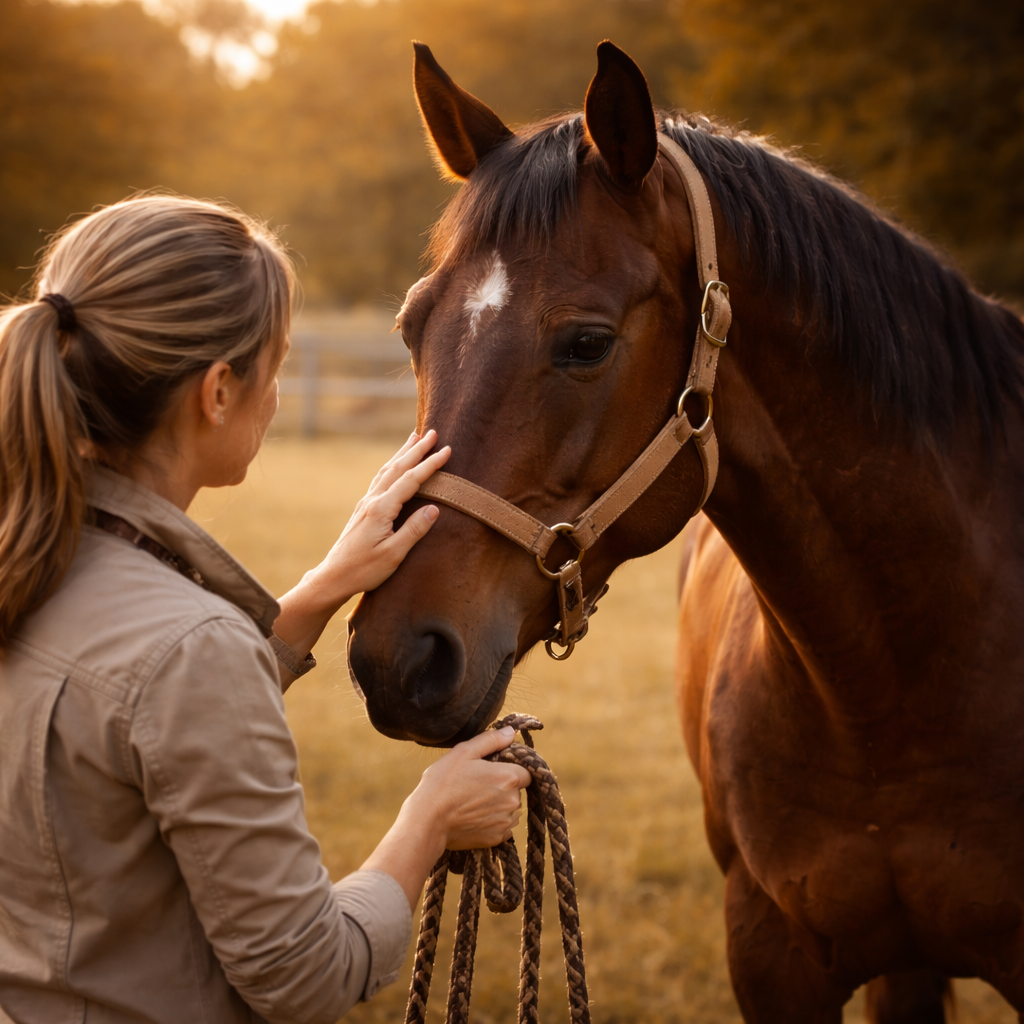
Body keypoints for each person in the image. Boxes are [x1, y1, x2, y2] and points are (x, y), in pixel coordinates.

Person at [0, 194, 531, 1024]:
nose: (277, 393)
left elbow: (122, 723)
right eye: (273, 365)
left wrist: (322, 587)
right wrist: (430, 821)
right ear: (217, 392)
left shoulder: (30, 564)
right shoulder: (188, 650)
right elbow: (305, 975)